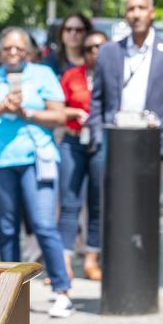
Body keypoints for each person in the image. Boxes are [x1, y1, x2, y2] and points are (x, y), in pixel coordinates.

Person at [0, 27, 74, 318]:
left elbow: (59, 116)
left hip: (36, 158)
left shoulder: (42, 75)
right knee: (7, 228)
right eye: (7, 49)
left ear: (28, 51)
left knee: (43, 224)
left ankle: (62, 290)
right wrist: (0, 109)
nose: (13, 53)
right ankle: (11, 297)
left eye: (19, 49)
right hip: (0, 161)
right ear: (0, 51)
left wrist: (28, 113)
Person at [87, 0, 163, 162]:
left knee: (150, 190)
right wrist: (99, 137)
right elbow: (97, 101)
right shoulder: (108, 52)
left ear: (152, 13)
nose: (136, 14)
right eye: (131, 9)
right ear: (125, 14)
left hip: (155, 143)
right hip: (115, 141)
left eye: (141, 8)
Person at [57, 30, 107, 281]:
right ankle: (63, 262)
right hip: (73, 140)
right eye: (89, 48)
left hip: (100, 144)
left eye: (100, 47)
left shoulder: (113, 76)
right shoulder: (72, 75)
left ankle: (91, 259)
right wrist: (73, 113)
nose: (95, 52)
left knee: (97, 203)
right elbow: (57, 106)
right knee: (69, 203)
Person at [45, 12, 92, 77]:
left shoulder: (94, 61)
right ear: (62, 33)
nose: (73, 33)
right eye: (68, 29)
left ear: (86, 33)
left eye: (79, 30)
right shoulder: (50, 61)